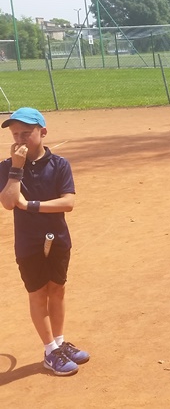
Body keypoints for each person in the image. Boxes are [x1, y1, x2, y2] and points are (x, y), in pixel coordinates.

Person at [0, 107, 89, 376]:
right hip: (28, 244)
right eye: (15, 134)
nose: (20, 139)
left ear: (43, 132)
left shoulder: (59, 165)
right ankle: (50, 351)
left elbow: (68, 202)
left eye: (26, 133)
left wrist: (30, 205)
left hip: (58, 239)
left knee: (57, 290)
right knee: (38, 293)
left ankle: (60, 344)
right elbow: (8, 202)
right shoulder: (6, 167)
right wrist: (16, 169)